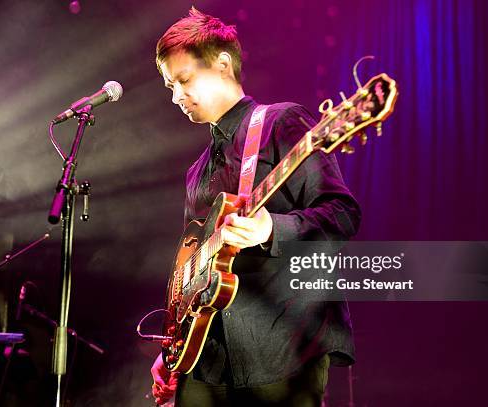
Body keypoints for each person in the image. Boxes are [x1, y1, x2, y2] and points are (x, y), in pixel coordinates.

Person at [150, 8, 361, 406]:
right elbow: (190, 270)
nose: (176, 96)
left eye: (184, 80)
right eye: (169, 87)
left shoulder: (283, 123)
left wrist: (272, 230)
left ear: (223, 64)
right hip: (205, 362)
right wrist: (172, 348)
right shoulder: (197, 171)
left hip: (281, 351)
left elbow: (342, 215)